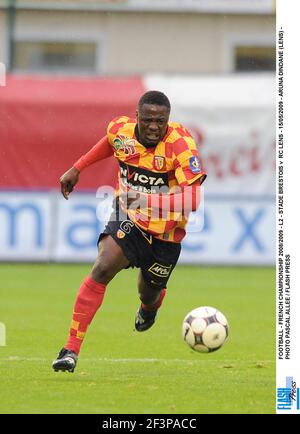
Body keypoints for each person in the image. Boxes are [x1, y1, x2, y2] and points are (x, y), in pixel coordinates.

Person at [52, 90, 206, 373]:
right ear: (137, 116)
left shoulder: (181, 144)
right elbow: (110, 143)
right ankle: (70, 349)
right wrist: (78, 167)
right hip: (130, 218)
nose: (153, 127)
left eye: (161, 121)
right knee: (103, 266)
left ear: (168, 120)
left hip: (167, 233)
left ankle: (150, 308)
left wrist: (148, 200)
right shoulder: (120, 129)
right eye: (148, 120)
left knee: (149, 292)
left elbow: (192, 200)